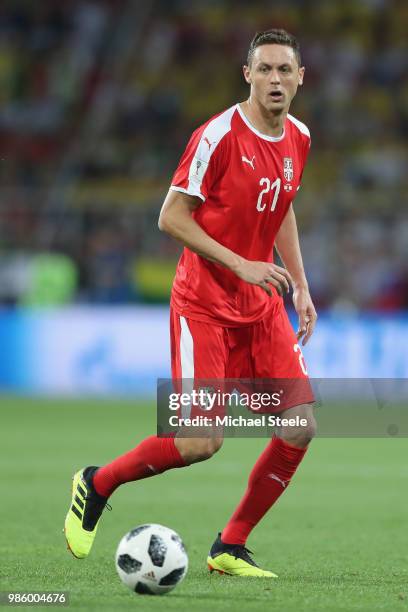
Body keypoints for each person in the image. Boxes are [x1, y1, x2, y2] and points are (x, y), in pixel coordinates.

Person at [64, 28, 318, 578]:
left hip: (263, 307)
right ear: (247, 75)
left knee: (299, 425)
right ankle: (97, 482)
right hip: (203, 305)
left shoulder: (298, 136)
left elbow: (282, 207)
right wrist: (240, 263)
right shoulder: (217, 137)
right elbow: (171, 216)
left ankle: (230, 545)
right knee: (201, 441)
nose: (275, 79)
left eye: (285, 70)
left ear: (300, 78)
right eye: (265, 69)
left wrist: (298, 283)